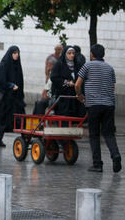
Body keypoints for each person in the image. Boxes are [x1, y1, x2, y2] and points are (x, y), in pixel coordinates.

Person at [75, 44, 121, 173]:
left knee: (94, 134)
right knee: (109, 133)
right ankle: (115, 155)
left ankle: (97, 164)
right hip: (109, 105)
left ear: (92, 54)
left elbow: (77, 84)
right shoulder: (110, 68)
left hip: (94, 105)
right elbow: (112, 88)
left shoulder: (87, 66)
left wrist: (79, 95)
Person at [0, 46, 25, 147]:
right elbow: (0, 81)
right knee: (1, 119)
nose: (16, 55)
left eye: (18, 53)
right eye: (14, 53)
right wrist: (11, 85)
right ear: (10, 53)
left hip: (15, 98)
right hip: (5, 98)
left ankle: (25, 138)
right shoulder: (4, 64)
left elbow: (20, 80)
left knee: (20, 118)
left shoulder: (17, 65)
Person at [50, 46, 84, 119]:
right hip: (63, 95)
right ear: (65, 54)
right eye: (69, 53)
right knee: (64, 115)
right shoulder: (59, 64)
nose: (72, 55)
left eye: (73, 53)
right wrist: (67, 82)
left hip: (74, 94)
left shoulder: (77, 64)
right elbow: (54, 77)